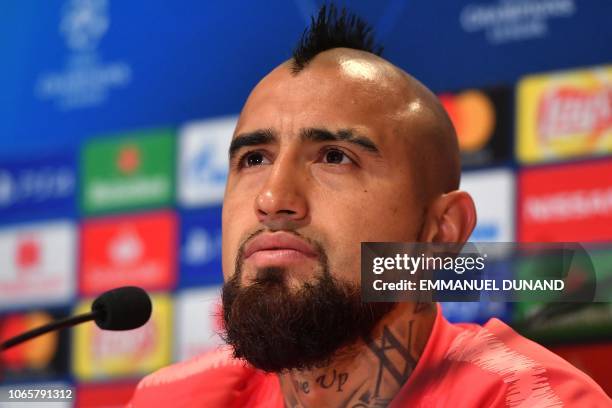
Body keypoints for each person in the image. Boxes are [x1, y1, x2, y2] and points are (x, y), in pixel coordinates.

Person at [129, 5, 610, 407]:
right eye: (254, 159)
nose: (273, 199)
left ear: (441, 232)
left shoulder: (528, 400)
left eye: (335, 157)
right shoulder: (171, 398)